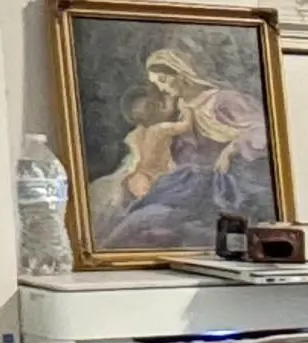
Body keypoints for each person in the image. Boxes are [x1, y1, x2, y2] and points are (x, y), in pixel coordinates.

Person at [88, 39, 272, 254]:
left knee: (150, 218)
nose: (161, 88)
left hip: (226, 180)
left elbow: (265, 130)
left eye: (164, 80)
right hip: (190, 179)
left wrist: (231, 150)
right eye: (157, 83)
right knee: (139, 216)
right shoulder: (184, 108)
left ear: (181, 73)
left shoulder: (224, 101)